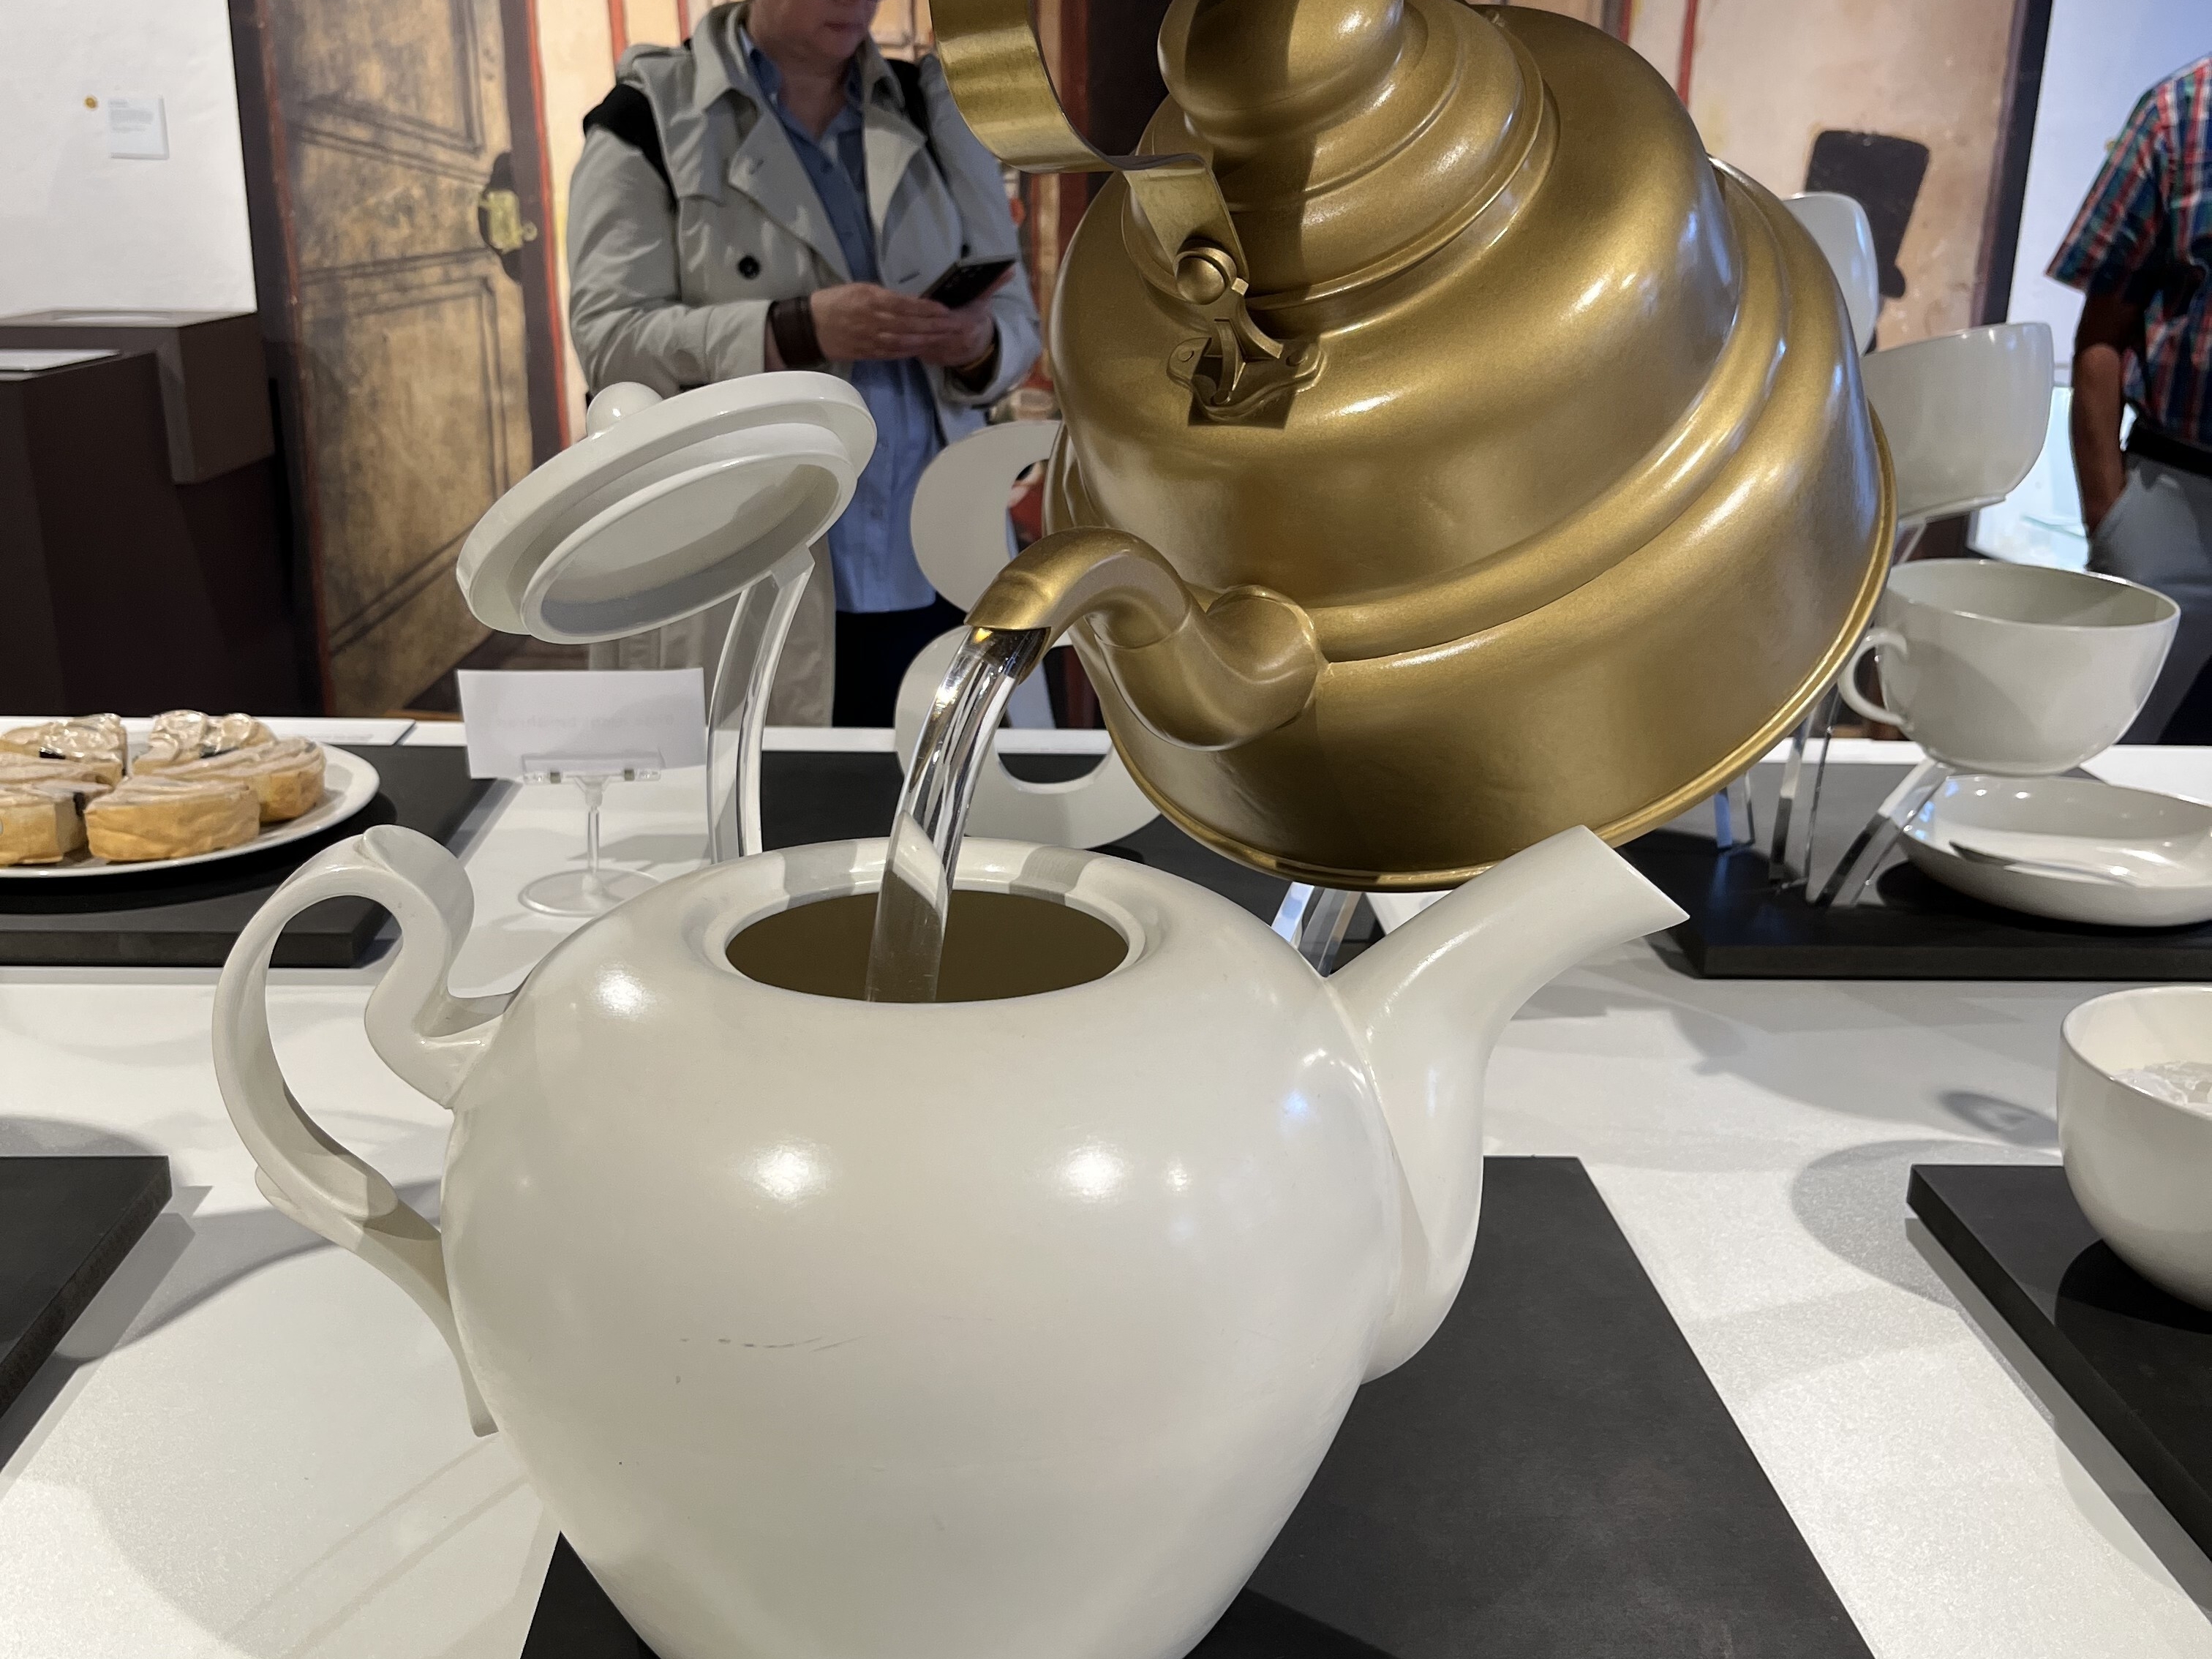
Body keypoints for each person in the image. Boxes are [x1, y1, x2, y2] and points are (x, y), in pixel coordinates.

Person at [567, 0, 1041, 725]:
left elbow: (1016, 322)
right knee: (786, 787)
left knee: (951, 790)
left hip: (941, 562)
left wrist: (975, 343)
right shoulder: (648, 116)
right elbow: (609, 340)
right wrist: (794, 330)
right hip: (754, 564)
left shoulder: (931, 106)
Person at [2050, 53, 2212, 741]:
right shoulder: (2180, 115)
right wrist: (2110, 517)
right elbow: (2103, 334)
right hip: (2174, 498)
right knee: (2118, 753)